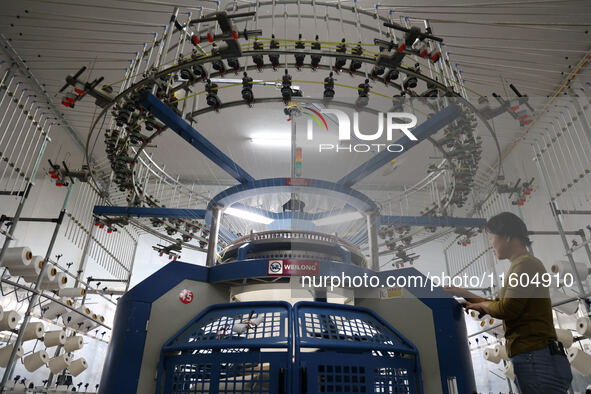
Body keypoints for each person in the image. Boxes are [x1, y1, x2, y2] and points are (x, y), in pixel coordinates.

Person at [444, 212, 572, 393]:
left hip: (535, 357)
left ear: (507, 237)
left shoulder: (525, 265)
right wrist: (463, 293)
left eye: (491, 238)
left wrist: (483, 306)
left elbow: (505, 309)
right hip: (533, 357)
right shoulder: (521, 265)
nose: (491, 245)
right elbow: (499, 304)